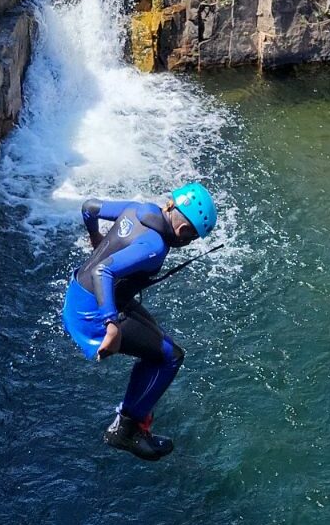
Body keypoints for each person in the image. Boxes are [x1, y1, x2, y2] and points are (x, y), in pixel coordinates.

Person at [61, 183, 218, 461]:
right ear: (184, 232)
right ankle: (125, 430)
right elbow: (104, 270)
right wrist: (110, 324)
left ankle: (135, 419)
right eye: (193, 238)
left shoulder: (139, 209)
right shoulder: (155, 246)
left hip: (81, 293)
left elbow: (89, 207)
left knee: (158, 338)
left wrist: (96, 237)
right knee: (171, 357)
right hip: (93, 312)